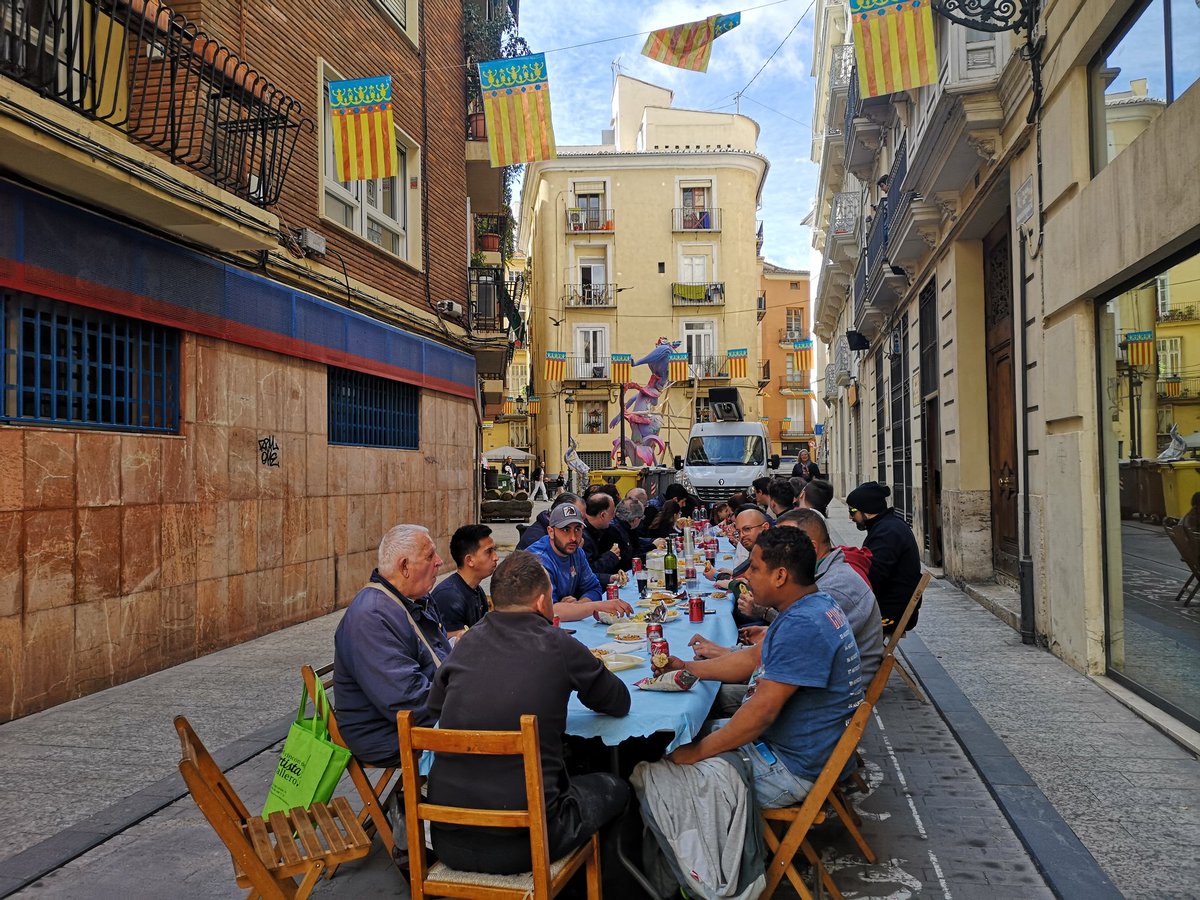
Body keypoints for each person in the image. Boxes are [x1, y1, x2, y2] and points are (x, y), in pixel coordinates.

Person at [426, 551, 631, 874]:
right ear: (541, 602)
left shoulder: (466, 642)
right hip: (528, 841)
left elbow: (435, 707)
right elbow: (618, 701)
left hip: (449, 838)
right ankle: (597, 884)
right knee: (616, 787)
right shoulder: (558, 644)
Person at [662, 527, 864, 808]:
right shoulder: (813, 604)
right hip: (800, 745)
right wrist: (687, 667)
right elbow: (751, 659)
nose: (746, 576)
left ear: (780, 576)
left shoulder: (803, 625)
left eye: (755, 569)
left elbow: (761, 713)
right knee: (680, 733)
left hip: (791, 766)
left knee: (661, 777)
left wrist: (696, 754)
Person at [333, 524, 452, 765]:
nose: (439, 561)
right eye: (430, 556)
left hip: (421, 713)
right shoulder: (372, 616)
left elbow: (441, 658)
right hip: (385, 734)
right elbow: (407, 701)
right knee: (501, 740)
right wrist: (467, 708)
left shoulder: (412, 599)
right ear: (404, 566)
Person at [527, 502, 634, 621]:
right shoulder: (537, 560)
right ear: (551, 532)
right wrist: (596, 606)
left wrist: (578, 606)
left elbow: (594, 588)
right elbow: (549, 611)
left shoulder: (577, 552)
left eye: (577, 529)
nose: (573, 537)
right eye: (565, 529)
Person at [847, 481, 922, 632]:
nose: (850, 516)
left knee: (837, 623)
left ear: (867, 510)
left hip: (891, 613)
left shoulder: (888, 532)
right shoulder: (886, 526)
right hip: (887, 605)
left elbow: (872, 575)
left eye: (852, 510)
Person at [430, 524, 498, 638]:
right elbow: (453, 644)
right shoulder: (448, 597)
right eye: (489, 552)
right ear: (469, 560)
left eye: (494, 550)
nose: (496, 557)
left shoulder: (477, 591)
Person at [582, 492, 622, 583]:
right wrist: (611, 557)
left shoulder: (597, 530)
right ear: (603, 515)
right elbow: (587, 572)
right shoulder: (584, 537)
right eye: (612, 513)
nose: (613, 517)